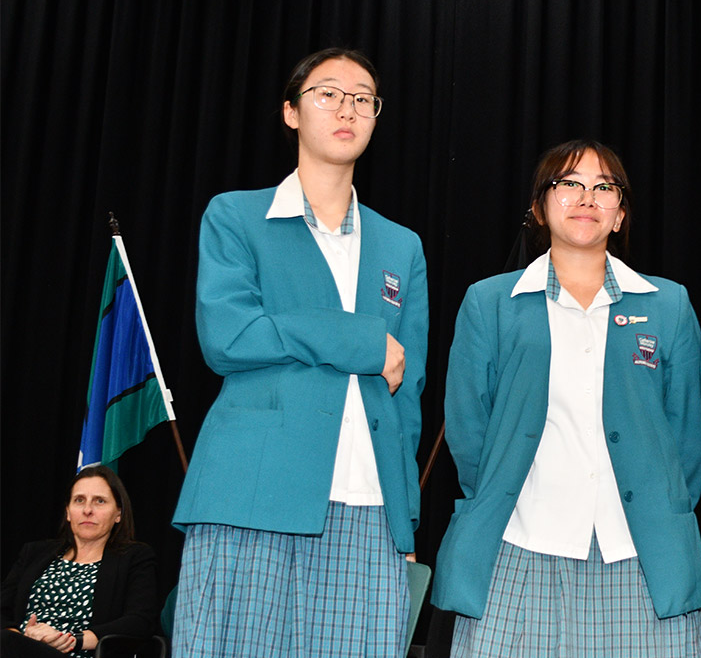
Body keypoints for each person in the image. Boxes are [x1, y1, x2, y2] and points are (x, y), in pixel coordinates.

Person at [170, 47, 427, 657]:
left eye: (363, 98)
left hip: (368, 505)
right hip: (251, 494)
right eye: (328, 93)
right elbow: (231, 337)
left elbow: (406, 392)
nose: (348, 108)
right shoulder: (236, 215)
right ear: (291, 113)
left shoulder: (402, 246)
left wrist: (405, 514)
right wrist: (361, 340)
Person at [433, 140, 701, 657]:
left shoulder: (668, 305)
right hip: (518, 545)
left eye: (604, 187)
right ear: (540, 207)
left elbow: (688, 440)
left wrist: (657, 506)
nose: (587, 198)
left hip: (639, 553)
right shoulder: (490, 302)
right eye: (569, 184)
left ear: (621, 214)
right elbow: (468, 433)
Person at [2, 466, 157, 658]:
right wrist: (22, 640)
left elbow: (140, 621)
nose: (87, 510)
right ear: (68, 512)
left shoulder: (135, 557)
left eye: (99, 501)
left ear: (118, 513)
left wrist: (72, 640)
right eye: (79, 500)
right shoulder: (34, 552)